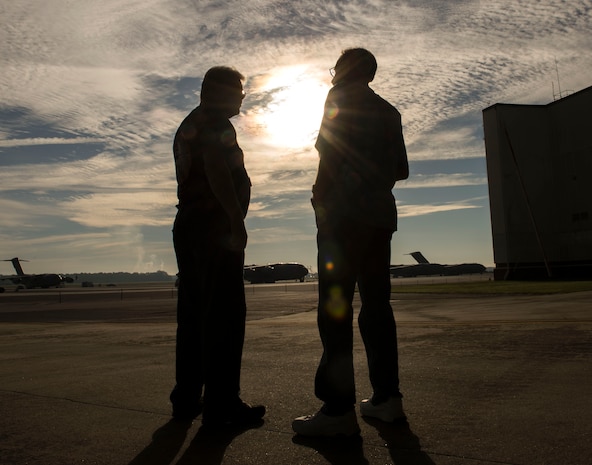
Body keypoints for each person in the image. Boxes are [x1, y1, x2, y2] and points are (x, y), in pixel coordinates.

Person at [292, 48, 409, 437]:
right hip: (379, 218)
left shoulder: (339, 96)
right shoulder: (390, 111)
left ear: (343, 70)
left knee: (336, 309)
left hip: (343, 219)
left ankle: (338, 409)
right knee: (377, 306)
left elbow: (329, 153)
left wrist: (320, 201)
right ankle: (387, 399)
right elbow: (401, 170)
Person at [170, 66, 265, 427]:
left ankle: (187, 397)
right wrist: (235, 220)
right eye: (239, 90)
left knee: (193, 316)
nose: (242, 97)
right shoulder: (215, 124)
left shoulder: (190, 122)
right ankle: (222, 405)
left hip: (189, 225)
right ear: (221, 92)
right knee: (224, 316)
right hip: (213, 228)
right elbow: (215, 168)